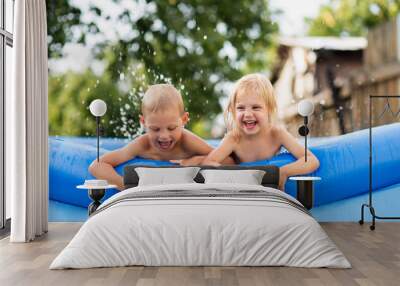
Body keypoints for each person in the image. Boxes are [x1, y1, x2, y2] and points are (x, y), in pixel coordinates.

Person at [89, 84, 219, 190]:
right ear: (143, 122)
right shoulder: (142, 144)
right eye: (155, 129)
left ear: (184, 120)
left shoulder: (188, 141)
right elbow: (96, 166)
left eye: (171, 128)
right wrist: (125, 186)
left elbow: (225, 158)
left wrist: (196, 160)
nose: (163, 136)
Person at [203, 73, 320, 191]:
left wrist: (283, 172)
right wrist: (235, 175)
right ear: (233, 111)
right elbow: (208, 163)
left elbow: (311, 160)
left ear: (269, 110)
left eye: (256, 107)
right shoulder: (234, 138)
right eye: (241, 108)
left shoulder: (277, 134)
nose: (248, 114)